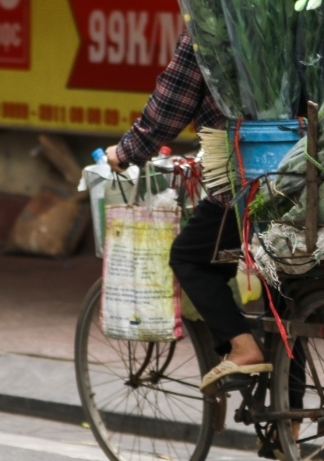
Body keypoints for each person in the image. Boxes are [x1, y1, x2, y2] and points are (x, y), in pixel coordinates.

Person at [106, 30, 270, 392]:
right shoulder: (299, 13)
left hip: (246, 175)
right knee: (286, 292)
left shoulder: (213, 24)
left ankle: (242, 348)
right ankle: (290, 420)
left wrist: (126, 152)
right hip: (306, 174)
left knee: (189, 256)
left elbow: (171, 104)